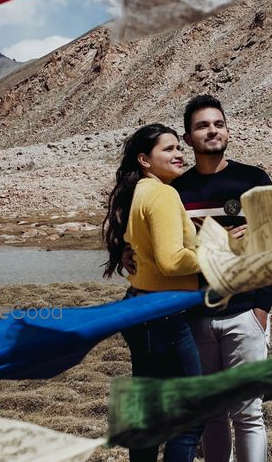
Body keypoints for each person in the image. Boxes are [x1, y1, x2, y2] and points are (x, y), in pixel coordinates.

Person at [174, 94, 272, 462]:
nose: (212, 131)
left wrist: (262, 309)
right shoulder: (177, 191)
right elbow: (169, 249)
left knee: (248, 412)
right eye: (202, 126)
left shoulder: (253, 179)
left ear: (228, 130)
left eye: (218, 124)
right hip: (197, 316)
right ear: (188, 138)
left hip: (246, 313)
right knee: (213, 413)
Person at [102, 123, 204, 462]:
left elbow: (147, 253)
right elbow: (172, 261)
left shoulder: (142, 191)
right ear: (145, 159)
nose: (179, 154)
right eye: (169, 149)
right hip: (167, 314)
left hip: (142, 307)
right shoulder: (162, 194)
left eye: (179, 147)